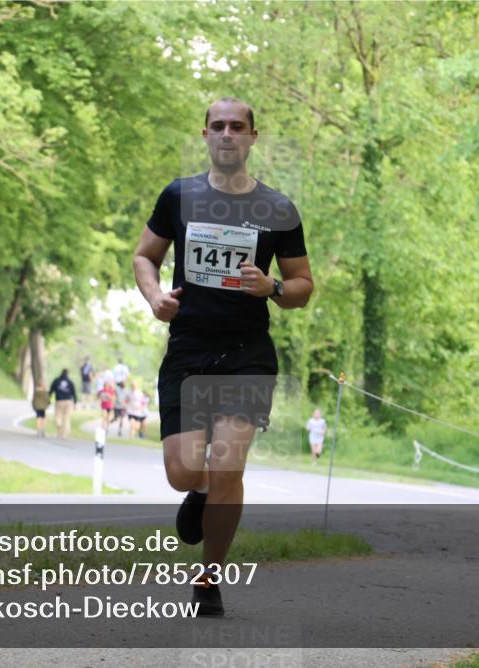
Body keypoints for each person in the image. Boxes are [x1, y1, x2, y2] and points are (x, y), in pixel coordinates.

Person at [132, 97, 313, 616]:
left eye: (238, 126)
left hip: (247, 351)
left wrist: (273, 286)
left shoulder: (277, 209)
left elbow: (303, 285)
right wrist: (154, 297)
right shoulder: (180, 196)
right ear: (206, 135)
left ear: (253, 137)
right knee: (185, 473)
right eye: (219, 126)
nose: (228, 134)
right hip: (189, 348)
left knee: (229, 461)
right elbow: (145, 256)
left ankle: (209, 578)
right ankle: (202, 490)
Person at [49, 369, 77, 439]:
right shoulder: (70, 382)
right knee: (66, 418)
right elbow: (74, 393)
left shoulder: (56, 381)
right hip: (68, 401)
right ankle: (64, 433)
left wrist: (48, 399)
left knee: (58, 416)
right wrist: (75, 403)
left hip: (59, 401)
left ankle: (59, 427)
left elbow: (51, 390)